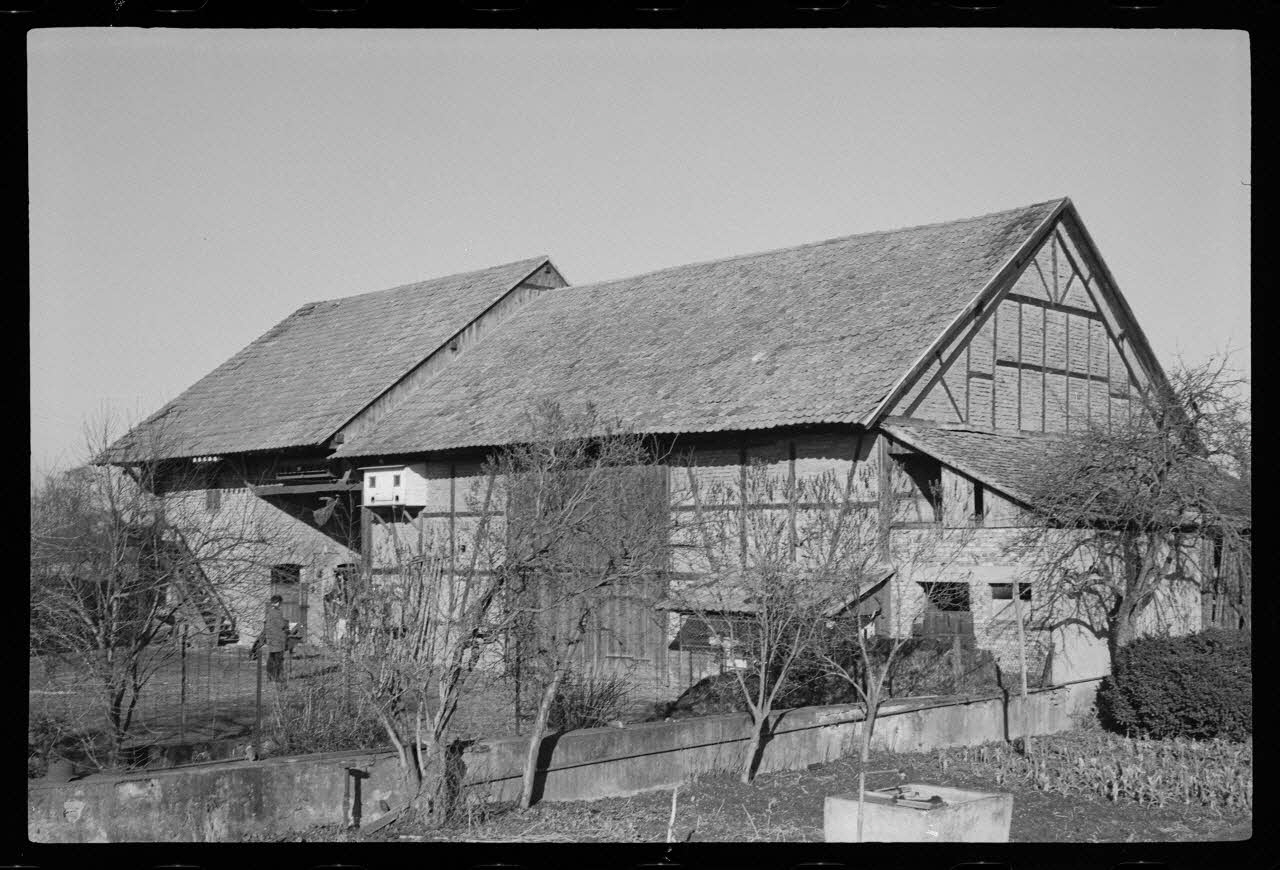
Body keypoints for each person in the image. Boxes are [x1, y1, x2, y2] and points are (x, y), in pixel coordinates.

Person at [261, 594, 288, 683]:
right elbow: (281, 625)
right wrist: (286, 624)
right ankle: (277, 677)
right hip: (277, 639)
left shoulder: (269, 612)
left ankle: (270, 677)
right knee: (278, 659)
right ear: (278, 602)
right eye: (280, 603)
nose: (281, 605)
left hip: (271, 639)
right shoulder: (276, 612)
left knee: (271, 658)